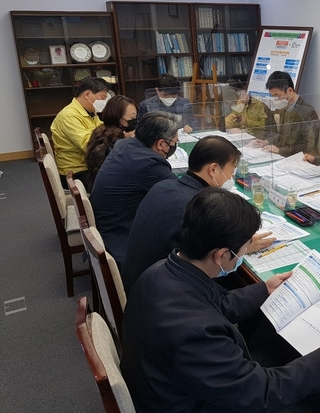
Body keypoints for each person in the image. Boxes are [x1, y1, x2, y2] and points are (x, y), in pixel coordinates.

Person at [120, 187, 320, 412]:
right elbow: (263, 393)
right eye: (243, 250)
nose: (243, 255)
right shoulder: (196, 335)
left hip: (173, 385)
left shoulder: (161, 270)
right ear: (221, 255)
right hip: (190, 403)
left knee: (273, 351)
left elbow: (215, 306)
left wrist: (264, 289)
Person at [122, 135, 276, 293]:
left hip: (137, 281)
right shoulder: (199, 209)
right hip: (160, 295)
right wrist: (240, 249)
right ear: (213, 169)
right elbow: (212, 262)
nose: (231, 178)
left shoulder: (163, 185)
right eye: (231, 171)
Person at [90, 111, 179, 265]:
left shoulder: (125, 144)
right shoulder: (150, 164)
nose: (174, 146)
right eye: (173, 143)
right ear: (160, 144)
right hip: (121, 239)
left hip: (107, 227)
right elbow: (180, 199)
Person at [50, 76, 110, 186]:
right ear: (88, 95)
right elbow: (89, 145)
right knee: (120, 180)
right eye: (102, 98)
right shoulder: (69, 116)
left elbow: (102, 132)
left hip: (88, 166)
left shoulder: (91, 112)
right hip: (76, 173)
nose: (104, 102)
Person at [250, 71, 318, 156]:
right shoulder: (284, 108)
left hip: (299, 158)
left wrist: (280, 150)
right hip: (283, 156)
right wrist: (266, 142)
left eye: (277, 95)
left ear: (289, 90)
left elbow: (308, 146)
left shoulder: (307, 111)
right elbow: (281, 136)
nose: (276, 99)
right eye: (273, 96)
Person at [84, 95, 137, 192]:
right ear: (117, 118)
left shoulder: (102, 130)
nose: (135, 121)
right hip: (112, 190)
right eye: (131, 118)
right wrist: (128, 142)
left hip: (98, 186)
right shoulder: (115, 141)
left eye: (135, 117)